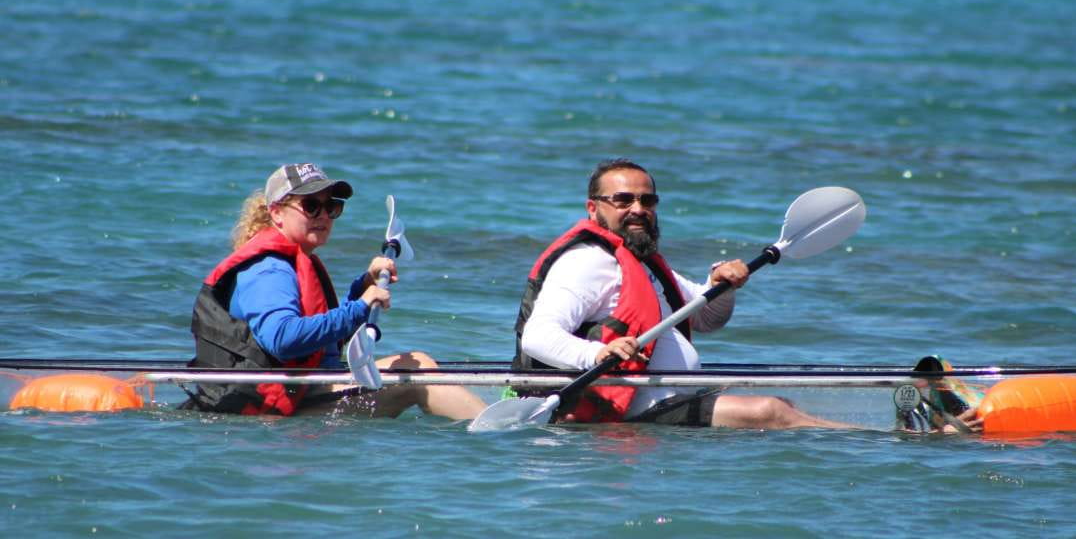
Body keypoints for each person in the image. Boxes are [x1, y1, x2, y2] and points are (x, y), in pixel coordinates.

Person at [513, 158, 852, 429]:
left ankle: (876, 436)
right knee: (770, 411)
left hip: (662, 403)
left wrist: (721, 284)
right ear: (593, 209)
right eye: (623, 199)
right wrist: (598, 354)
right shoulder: (586, 262)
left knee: (783, 407)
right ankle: (878, 441)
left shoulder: (639, 264)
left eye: (647, 200)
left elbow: (707, 317)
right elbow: (537, 336)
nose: (638, 208)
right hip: (618, 410)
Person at [184, 162, 486, 420]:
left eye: (332, 206)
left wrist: (361, 290)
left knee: (416, 362)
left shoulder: (293, 260)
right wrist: (357, 308)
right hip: (275, 411)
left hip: (301, 392)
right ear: (276, 213)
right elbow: (283, 340)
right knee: (416, 371)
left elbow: (323, 344)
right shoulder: (269, 270)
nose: (324, 216)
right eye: (311, 206)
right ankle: (500, 430)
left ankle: (491, 420)